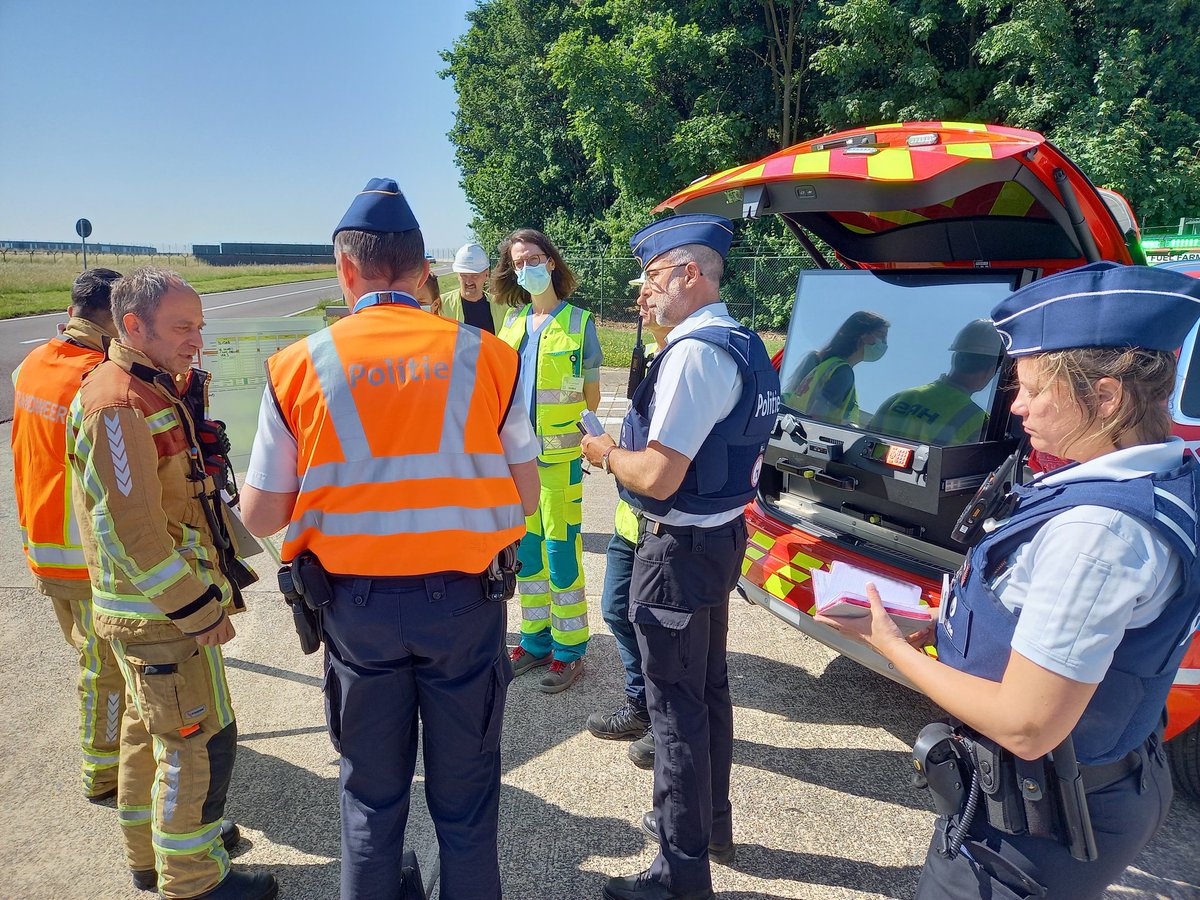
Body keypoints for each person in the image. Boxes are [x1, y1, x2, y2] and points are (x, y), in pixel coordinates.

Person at [817, 261, 1200, 899]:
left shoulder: (1097, 531)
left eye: (1032, 389)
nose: (1015, 405)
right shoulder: (1159, 475)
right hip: (1082, 786)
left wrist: (890, 646)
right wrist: (933, 626)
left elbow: (1027, 725)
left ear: (1107, 397)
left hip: (1034, 828)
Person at [239, 179, 539, 900]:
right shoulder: (489, 357)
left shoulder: (297, 365)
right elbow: (525, 495)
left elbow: (261, 516)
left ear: (346, 268)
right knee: (466, 800)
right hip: (465, 608)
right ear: (424, 270)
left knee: (371, 799)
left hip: (356, 612)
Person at [582, 214, 781, 900]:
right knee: (708, 692)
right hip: (718, 539)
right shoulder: (742, 342)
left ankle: (679, 873)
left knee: (674, 712)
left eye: (653, 276)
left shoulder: (695, 353)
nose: (643, 291)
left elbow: (659, 476)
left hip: (678, 551)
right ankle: (708, 824)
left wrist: (605, 452)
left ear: (690, 273)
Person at [66, 267, 272, 899]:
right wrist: (198, 608)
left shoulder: (150, 388)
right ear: (133, 325)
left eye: (199, 327)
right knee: (197, 740)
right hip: (161, 616)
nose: (196, 341)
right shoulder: (119, 405)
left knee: (145, 733)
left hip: (147, 614)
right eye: (183, 327)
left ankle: (154, 854)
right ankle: (194, 877)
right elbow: (134, 532)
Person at [11, 268, 126, 802]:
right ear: (116, 318)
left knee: (91, 656)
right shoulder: (97, 378)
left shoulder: (34, 363)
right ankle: (105, 769)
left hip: (44, 542)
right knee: (105, 669)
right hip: (85, 555)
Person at [494, 227, 603, 693]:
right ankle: (536, 641)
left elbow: (591, 397)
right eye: (518, 263)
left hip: (560, 464)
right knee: (529, 557)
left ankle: (570, 649)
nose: (526, 268)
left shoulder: (579, 322)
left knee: (561, 556)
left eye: (533, 259)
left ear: (551, 262)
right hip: (517, 465)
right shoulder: (512, 323)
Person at [586, 272, 669, 768]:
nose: (639, 298)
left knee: (658, 629)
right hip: (629, 519)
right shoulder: (655, 358)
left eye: (649, 288)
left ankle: (663, 721)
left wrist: (609, 454)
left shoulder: (687, 362)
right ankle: (640, 707)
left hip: (662, 525)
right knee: (617, 610)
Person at [871, 319, 1003, 445]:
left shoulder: (901, 397)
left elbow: (866, 441)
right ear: (991, 371)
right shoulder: (980, 421)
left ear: (955, 358)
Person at [784, 310, 888, 425]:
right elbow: (818, 417)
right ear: (863, 334)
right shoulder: (843, 372)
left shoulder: (827, 364)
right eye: (881, 335)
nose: (885, 343)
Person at [440, 241, 507, 333]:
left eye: (474, 275)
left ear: (486, 274)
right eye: (464, 275)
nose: (468, 281)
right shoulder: (441, 305)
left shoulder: (501, 306)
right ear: (458, 275)